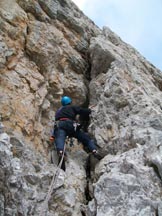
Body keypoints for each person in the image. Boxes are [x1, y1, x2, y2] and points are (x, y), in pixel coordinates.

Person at [51, 96, 102, 171]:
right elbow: (82, 111)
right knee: (86, 139)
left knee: (60, 138)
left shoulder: (58, 111)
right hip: (71, 125)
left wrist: (53, 134)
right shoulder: (72, 107)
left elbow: (56, 125)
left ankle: (61, 151)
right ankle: (94, 150)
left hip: (60, 125)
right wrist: (89, 110)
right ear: (70, 102)